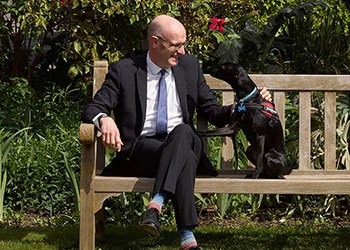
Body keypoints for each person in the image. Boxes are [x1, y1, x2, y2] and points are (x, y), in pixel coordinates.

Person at [82, 14, 271, 250]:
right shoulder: (124, 71)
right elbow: (94, 107)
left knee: (182, 131)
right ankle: (186, 235)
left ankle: (156, 204)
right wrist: (105, 119)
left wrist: (251, 102)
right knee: (186, 155)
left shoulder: (190, 67)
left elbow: (211, 111)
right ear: (154, 42)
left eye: (183, 44)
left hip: (184, 140)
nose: (182, 51)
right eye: (175, 45)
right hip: (144, 149)